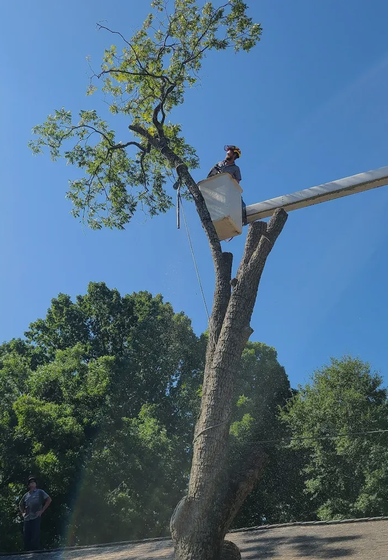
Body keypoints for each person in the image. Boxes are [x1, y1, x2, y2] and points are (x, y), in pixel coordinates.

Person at [19, 476, 52, 551]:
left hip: (36, 516)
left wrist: (42, 510)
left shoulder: (40, 492)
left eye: (34, 482)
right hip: (27, 518)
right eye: (31, 482)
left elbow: (49, 499)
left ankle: (35, 554)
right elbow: (20, 504)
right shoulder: (26, 495)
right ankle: (26, 554)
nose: (33, 483)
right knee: (26, 537)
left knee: (35, 536)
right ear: (28, 485)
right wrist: (23, 513)